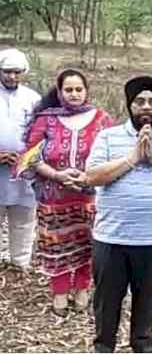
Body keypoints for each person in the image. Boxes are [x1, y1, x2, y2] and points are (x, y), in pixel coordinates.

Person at [83, 75, 152, 353]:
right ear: (129, 105)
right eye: (139, 102)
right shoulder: (107, 137)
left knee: (146, 301)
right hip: (111, 238)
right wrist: (133, 157)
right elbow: (93, 176)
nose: (146, 107)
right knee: (107, 302)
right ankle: (103, 347)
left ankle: (143, 346)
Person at [17, 69, 113, 316]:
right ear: (59, 92)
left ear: (87, 91)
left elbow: (112, 156)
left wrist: (87, 178)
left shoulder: (101, 119)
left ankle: (82, 289)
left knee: (88, 244)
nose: (74, 94)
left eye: (78, 89)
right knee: (56, 245)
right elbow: (30, 156)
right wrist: (57, 175)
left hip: (90, 197)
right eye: (68, 89)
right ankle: (59, 292)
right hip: (53, 198)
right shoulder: (45, 119)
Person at [0, 48, 40, 270]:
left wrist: (28, 157)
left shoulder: (33, 99)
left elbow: (43, 133)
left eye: (17, 72)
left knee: (23, 220)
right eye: (7, 71)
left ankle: (20, 263)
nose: (12, 76)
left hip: (23, 170)